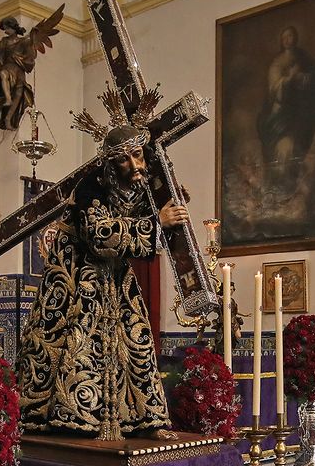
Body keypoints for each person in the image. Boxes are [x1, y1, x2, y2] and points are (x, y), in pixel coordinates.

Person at [16, 103, 187, 440]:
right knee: (77, 341)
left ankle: (145, 421)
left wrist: (167, 206)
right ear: (111, 163)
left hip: (115, 277)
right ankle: (71, 417)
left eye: (138, 156)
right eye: (126, 159)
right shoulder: (91, 187)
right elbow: (99, 237)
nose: (135, 165)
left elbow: (152, 211)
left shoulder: (140, 184)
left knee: (136, 341)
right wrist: (156, 224)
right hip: (77, 277)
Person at [258, 25, 315, 193]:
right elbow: (274, 89)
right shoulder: (277, 62)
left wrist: (302, 77)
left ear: (295, 38)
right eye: (285, 37)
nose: (287, 40)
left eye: (290, 36)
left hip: (299, 110)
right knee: (278, 147)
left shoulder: (305, 60)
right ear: (281, 41)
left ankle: (292, 183)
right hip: (281, 111)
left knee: (297, 147)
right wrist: (289, 79)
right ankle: (277, 184)